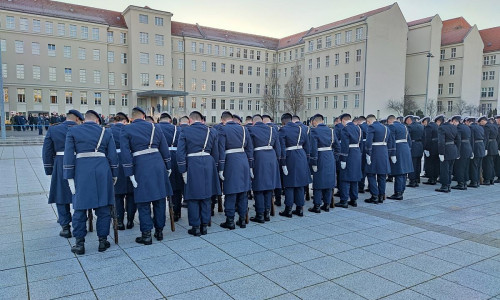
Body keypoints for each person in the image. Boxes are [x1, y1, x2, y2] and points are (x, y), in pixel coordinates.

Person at [63, 110, 119, 255]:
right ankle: (102, 241)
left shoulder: (73, 131)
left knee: (80, 209)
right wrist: (114, 174)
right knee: (103, 208)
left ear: (84, 120)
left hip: (82, 171)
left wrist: (69, 177)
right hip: (102, 169)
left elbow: (68, 155)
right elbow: (112, 155)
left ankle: (79, 244)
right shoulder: (105, 132)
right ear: (96, 120)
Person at [120, 107, 173, 245]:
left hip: (140, 166)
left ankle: (146, 234)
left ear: (131, 118)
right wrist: (168, 166)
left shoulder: (126, 129)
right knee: (159, 199)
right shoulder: (155, 127)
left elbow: (126, 154)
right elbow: (164, 149)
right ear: (144, 116)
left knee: (143, 201)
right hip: (157, 164)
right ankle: (159, 231)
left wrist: (129, 173)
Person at [176, 111, 221, 236]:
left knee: (193, 196)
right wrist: (215, 167)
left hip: (192, 164)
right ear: (201, 120)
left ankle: (195, 227)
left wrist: (182, 170)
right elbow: (215, 152)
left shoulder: (185, 131)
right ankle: (204, 226)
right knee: (207, 195)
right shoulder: (211, 131)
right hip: (208, 162)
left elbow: (180, 153)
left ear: (190, 120)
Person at [42, 109, 84, 238]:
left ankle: (65, 227)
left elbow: (47, 151)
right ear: (77, 119)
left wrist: (49, 169)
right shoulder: (82, 129)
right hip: (80, 163)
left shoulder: (54, 130)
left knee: (61, 195)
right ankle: (81, 222)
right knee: (80, 193)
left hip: (60, 164)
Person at [218, 111, 254, 229]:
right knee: (243, 191)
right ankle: (242, 220)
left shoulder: (223, 129)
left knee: (230, 191)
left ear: (223, 120)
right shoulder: (243, 129)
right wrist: (250, 165)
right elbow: (249, 149)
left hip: (231, 161)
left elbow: (221, 150)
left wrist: (221, 168)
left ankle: (230, 221)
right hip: (243, 160)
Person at [248, 114, 281, 222]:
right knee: (269, 188)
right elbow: (278, 148)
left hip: (259, 158)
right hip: (271, 157)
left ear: (253, 122)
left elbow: (250, 148)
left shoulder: (251, 130)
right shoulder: (272, 130)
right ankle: (267, 213)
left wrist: (250, 164)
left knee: (258, 188)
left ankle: (260, 215)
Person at [278, 113, 311, 217]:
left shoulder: (283, 130)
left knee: (289, 184)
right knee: (300, 184)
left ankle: (288, 209)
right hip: (301, 156)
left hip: (290, 157)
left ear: (283, 122)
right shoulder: (302, 129)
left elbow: (282, 147)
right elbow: (307, 146)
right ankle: (299, 209)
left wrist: (282, 162)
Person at [308, 114, 340, 212]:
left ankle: (317, 205)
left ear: (314, 122)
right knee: (329, 181)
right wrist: (334, 157)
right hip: (330, 156)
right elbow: (337, 146)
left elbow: (313, 148)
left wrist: (313, 161)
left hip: (320, 156)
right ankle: (327, 204)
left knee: (318, 181)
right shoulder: (331, 130)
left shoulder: (314, 131)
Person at [111, 112, 137, 230]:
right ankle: (130, 221)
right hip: (130, 163)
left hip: (115, 164)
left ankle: (119, 221)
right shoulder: (130, 130)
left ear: (115, 121)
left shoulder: (108, 131)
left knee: (117, 196)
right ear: (125, 121)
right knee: (131, 195)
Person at [157, 112, 184, 221]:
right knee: (176, 188)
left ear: (159, 120)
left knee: (160, 188)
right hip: (175, 158)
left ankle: (159, 214)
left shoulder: (155, 128)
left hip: (159, 158)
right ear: (169, 120)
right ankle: (176, 212)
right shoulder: (178, 129)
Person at [335, 113, 362, 208]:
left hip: (349, 154)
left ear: (343, 120)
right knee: (354, 178)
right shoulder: (358, 128)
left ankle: (344, 200)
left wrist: (343, 159)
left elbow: (344, 145)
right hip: (357, 153)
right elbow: (361, 142)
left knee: (345, 178)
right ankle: (354, 199)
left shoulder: (345, 129)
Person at [364, 114, 393, 204]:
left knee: (371, 174)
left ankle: (375, 196)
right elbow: (390, 142)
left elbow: (369, 142)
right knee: (382, 176)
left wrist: (368, 154)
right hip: (383, 152)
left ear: (368, 121)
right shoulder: (386, 128)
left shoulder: (372, 127)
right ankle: (381, 195)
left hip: (375, 152)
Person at [386, 115, 413, 200]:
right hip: (405, 149)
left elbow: (391, 140)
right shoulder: (404, 126)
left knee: (398, 172)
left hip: (397, 149)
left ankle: (397, 193)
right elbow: (409, 140)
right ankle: (401, 191)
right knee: (404, 172)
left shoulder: (392, 126)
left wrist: (391, 152)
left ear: (389, 121)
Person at [434, 115, 460, 193]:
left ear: (439, 121)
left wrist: (441, 153)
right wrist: (457, 152)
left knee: (444, 169)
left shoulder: (441, 128)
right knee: (450, 169)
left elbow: (441, 142)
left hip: (446, 150)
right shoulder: (454, 127)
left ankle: (444, 186)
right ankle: (448, 185)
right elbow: (458, 140)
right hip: (453, 149)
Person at [451, 115, 472, 190]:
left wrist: (458, 152)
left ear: (455, 121)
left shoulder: (458, 128)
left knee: (459, 167)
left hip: (462, 149)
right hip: (468, 148)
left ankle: (460, 183)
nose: (453, 124)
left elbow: (458, 140)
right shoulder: (466, 127)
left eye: (453, 122)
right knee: (465, 167)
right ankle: (465, 183)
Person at [405, 115, 424, 187]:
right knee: (418, 164)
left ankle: (412, 181)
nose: (407, 123)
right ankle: (417, 179)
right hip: (420, 145)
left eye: (407, 121)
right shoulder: (421, 126)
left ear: (409, 120)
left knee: (412, 164)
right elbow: (424, 137)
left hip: (413, 146)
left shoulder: (410, 127)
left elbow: (407, 137)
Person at [466, 117, 485, 188]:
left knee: (474, 166)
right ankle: (477, 181)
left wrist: (472, 150)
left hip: (476, 147)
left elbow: (472, 139)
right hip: (481, 147)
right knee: (478, 166)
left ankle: (474, 182)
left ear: (468, 122)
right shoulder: (480, 127)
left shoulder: (471, 128)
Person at [482, 116, 499, 185]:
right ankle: (491, 179)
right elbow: (498, 137)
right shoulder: (494, 126)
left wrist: (485, 148)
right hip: (494, 146)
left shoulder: (486, 127)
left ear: (483, 121)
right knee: (492, 164)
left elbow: (486, 138)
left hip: (489, 146)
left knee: (487, 164)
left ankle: (487, 179)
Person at [422, 117, 439, 185]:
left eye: (424, 122)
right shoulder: (435, 125)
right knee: (436, 163)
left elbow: (427, 138)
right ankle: (435, 177)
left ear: (426, 121)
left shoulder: (428, 127)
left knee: (430, 163)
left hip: (431, 147)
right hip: (437, 146)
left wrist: (426, 148)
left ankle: (431, 179)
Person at [357, 116, 368, 193]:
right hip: (371, 148)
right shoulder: (369, 126)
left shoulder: (360, 127)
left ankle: (361, 186)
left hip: (363, 148)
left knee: (362, 168)